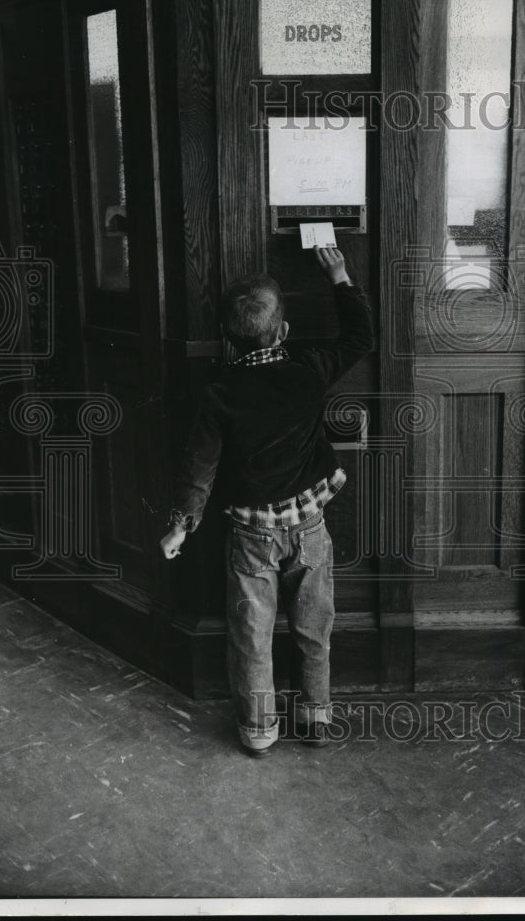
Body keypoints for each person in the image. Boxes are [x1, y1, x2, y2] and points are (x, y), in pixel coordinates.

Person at [160, 246, 373, 757]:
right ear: (282, 332)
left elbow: (199, 466)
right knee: (313, 625)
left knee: (250, 634)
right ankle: (316, 719)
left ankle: (259, 729)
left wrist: (181, 525)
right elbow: (360, 338)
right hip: (309, 526)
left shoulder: (219, 393)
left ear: (228, 342)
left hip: (252, 535)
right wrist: (341, 277)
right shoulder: (308, 371)